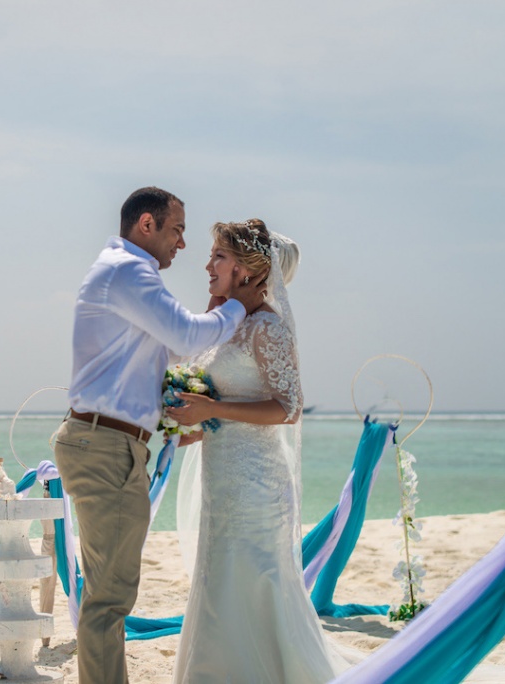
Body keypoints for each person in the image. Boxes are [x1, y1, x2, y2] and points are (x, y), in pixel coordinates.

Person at [53, 187, 268, 684]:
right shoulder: (128, 271)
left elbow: (171, 350)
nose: (183, 244)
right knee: (110, 598)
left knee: (109, 593)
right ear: (146, 224)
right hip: (104, 445)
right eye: (177, 230)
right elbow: (186, 336)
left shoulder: (124, 272)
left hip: (105, 442)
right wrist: (238, 304)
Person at [166, 219, 342, 683]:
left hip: (257, 480)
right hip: (220, 473)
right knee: (219, 572)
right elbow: (216, 396)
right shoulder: (226, 324)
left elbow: (289, 408)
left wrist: (213, 409)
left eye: (218, 256)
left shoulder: (268, 327)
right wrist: (193, 426)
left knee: (253, 574)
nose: (207, 265)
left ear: (245, 269)